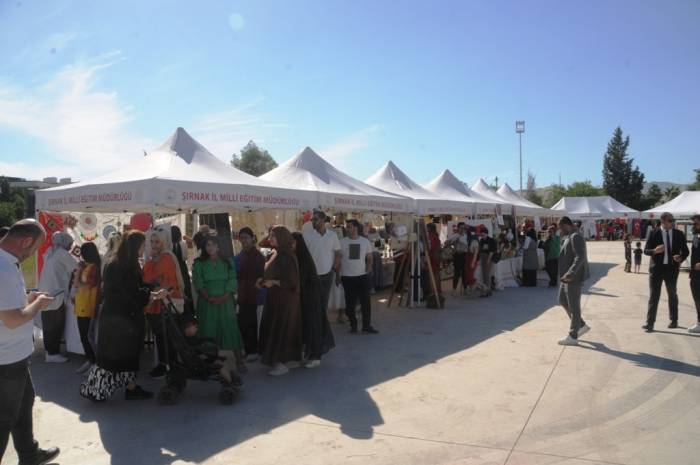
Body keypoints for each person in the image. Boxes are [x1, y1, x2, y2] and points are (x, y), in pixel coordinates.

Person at [80, 231, 168, 402]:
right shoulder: (125, 266)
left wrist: (149, 287)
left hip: (117, 317)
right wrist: (150, 293)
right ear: (136, 247)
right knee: (116, 358)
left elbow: (134, 287)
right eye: (143, 246)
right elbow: (130, 293)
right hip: (122, 319)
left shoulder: (118, 263)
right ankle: (97, 391)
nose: (144, 249)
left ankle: (129, 388)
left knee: (122, 357)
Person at [0, 219, 60, 465]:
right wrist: (38, 304)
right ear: (25, 241)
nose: (33, 254)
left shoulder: (7, 263)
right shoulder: (3, 269)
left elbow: (8, 307)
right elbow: (13, 320)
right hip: (7, 359)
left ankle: (29, 454)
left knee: (25, 403)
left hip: (15, 356)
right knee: (4, 418)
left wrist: (27, 298)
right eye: (34, 248)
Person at [193, 234, 246, 374]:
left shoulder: (228, 261)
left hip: (226, 301)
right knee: (208, 330)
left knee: (230, 328)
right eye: (207, 245)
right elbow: (198, 282)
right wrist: (208, 297)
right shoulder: (198, 262)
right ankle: (209, 363)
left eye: (213, 244)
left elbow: (232, 279)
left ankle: (239, 361)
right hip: (206, 302)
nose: (210, 248)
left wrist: (224, 297)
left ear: (218, 246)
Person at [257, 226, 303, 376]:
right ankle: (289, 359)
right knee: (282, 329)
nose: (269, 239)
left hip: (285, 300)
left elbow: (292, 282)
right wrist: (263, 280)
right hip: (277, 298)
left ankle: (281, 363)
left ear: (282, 238)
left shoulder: (286, 256)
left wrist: (274, 282)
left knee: (282, 330)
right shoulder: (278, 252)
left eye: (273, 236)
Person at [143, 225, 187, 378]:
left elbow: (148, 278)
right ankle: (167, 366)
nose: (154, 245)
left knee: (166, 338)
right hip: (160, 303)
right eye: (152, 242)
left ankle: (168, 367)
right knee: (163, 337)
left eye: (157, 242)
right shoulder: (160, 257)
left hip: (166, 303)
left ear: (165, 242)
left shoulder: (166, 257)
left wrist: (149, 260)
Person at [292, 232, 335, 368]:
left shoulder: (303, 258)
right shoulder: (296, 256)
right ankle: (309, 353)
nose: (290, 245)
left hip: (311, 298)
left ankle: (316, 356)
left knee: (314, 325)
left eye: (292, 242)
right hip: (304, 298)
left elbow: (302, 280)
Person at [642, 212, 689, 332]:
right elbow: (646, 250)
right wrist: (655, 251)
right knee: (654, 296)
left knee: (672, 295)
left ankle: (674, 320)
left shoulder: (679, 234)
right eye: (670, 220)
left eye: (672, 220)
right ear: (663, 221)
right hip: (656, 270)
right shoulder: (654, 233)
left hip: (672, 269)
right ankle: (650, 323)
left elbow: (685, 251)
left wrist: (680, 258)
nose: (672, 222)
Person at [37, 231, 77, 363]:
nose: (70, 247)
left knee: (49, 323)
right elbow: (76, 267)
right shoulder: (62, 254)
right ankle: (52, 353)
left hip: (45, 292)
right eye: (70, 244)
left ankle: (50, 351)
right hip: (55, 293)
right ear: (65, 243)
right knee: (56, 324)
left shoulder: (50, 252)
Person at [338, 219, 378, 334]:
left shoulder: (364, 242)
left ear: (355, 228)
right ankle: (353, 325)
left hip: (362, 276)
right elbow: (338, 259)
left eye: (349, 226)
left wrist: (369, 267)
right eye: (347, 226)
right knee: (350, 305)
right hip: (347, 277)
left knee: (366, 303)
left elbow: (370, 257)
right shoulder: (341, 242)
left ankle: (366, 325)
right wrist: (338, 274)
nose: (347, 228)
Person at [556, 216, 591, 346]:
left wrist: (571, 273)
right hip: (566, 277)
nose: (560, 231)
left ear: (566, 225)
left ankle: (573, 335)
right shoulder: (569, 236)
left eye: (561, 228)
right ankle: (580, 325)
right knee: (562, 300)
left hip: (573, 277)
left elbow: (580, 257)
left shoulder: (576, 236)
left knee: (574, 306)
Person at [302, 211, 342, 323]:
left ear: (323, 220)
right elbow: (303, 256)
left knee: (324, 303)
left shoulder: (332, 235)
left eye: (315, 219)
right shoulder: (307, 236)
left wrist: (334, 269)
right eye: (312, 220)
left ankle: (322, 328)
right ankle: (315, 327)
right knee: (313, 303)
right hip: (313, 276)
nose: (313, 222)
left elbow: (338, 253)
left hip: (327, 275)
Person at [235, 227, 265, 362]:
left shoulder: (258, 256)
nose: (243, 241)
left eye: (246, 237)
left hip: (254, 295)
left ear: (252, 238)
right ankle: (248, 349)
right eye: (241, 238)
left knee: (252, 323)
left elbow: (262, 277)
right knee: (242, 323)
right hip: (243, 294)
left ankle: (253, 350)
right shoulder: (241, 255)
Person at [72, 242, 101, 375]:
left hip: (88, 306)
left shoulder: (94, 268)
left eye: (83, 252)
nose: (81, 255)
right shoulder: (86, 266)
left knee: (88, 336)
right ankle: (90, 359)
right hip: (81, 304)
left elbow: (79, 284)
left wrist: (78, 273)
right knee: (83, 336)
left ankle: (95, 362)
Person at [171, 225, 194, 317]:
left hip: (173, 268)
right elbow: (185, 257)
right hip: (182, 267)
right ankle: (188, 311)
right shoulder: (183, 244)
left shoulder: (168, 245)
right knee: (185, 287)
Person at [445, 222, 469, 294]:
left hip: (464, 255)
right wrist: (453, 244)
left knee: (464, 273)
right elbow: (446, 243)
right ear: (458, 228)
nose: (462, 229)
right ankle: (454, 289)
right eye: (461, 228)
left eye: (464, 228)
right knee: (457, 273)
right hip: (457, 256)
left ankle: (465, 289)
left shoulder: (466, 236)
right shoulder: (455, 235)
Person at [688, 215, 700, 334]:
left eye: (695, 224)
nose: (693, 226)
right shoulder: (696, 237)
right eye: (693, 224)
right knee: (697, 299)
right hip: (695, 274)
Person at [425, 222, 443, 296]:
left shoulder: (432, 236)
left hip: (432, 257)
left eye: (427, 227)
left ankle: (434, 289)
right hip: (434, 257)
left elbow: (432, 247)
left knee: (433, 273)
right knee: (436, 273)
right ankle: (437, 289)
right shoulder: (435, 235)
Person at [478, 227, 497, 292]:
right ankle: (485, 287)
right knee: (484, 274)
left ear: (486, 233)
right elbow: (480, 250)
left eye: (483, 234)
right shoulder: (481, 240)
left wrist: (488, 259)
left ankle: (487, 288)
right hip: (483, 258)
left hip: (489, 257)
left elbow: (492, 251)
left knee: (487, 274)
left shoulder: (491, 240)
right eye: (481, 235)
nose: (482, 236)